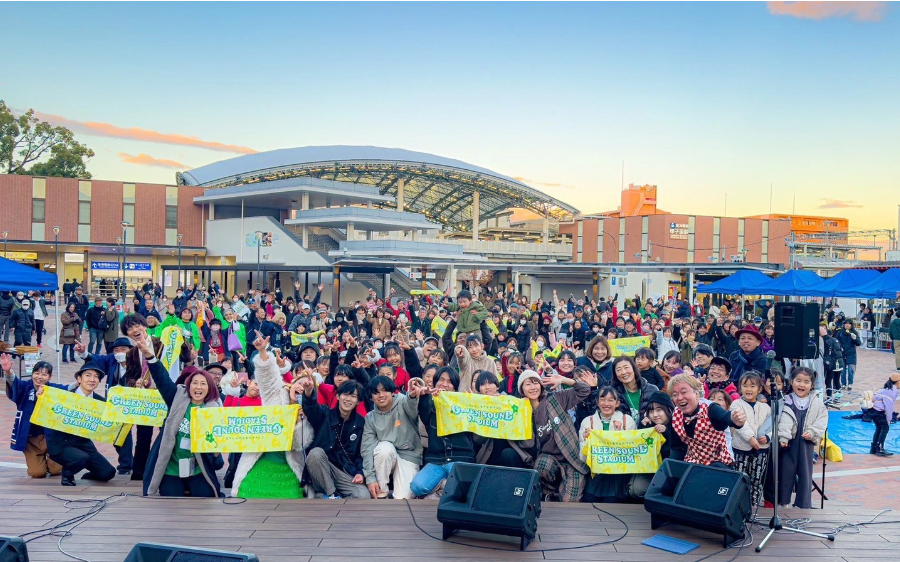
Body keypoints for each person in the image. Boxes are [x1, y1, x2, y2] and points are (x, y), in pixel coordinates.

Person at [136, 334, 225, 497]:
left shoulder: (213, 411)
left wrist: (216, 449)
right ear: (188, 386)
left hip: (198, 467)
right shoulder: (177, 397)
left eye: (203, 384)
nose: (198, 387)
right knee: (171, 498)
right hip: (172, 467)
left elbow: (217, 453)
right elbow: (162, 379)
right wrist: (149, 356)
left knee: (206, 496)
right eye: (195, 383)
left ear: (209, 388)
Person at [231, 333, 312, 498]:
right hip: (261, 460)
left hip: (289, 465)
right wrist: (263, 352)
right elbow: (268, 379)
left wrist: (298, 423)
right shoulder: (276, 395)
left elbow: (299, 444)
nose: (301, 387)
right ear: (291, 383)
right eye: (299, 382)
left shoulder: (308, 409)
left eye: (306, 386)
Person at [520, 369, 591, 502]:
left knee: (569, 502)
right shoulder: (520, 410)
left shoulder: (555, 398)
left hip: (572, 458)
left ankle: (564, 486)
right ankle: (549, 491)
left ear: (541, 386)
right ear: (522, 389)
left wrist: (564, 380)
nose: (533, 387)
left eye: (535, 383)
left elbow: (585, 390)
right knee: (541, 466)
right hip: (548, 459)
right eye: (528, 384)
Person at [44, 362, 116, 486]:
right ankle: (67, 474)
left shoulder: (101, 402)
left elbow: (107, 425)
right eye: (88, 375)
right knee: (81, 458)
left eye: (96, 376)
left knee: (108, 472)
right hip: (61, 443)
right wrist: (41, 396)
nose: (92, 379)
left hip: (83, 443)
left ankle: (88, 474)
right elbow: (45, 408)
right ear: (79, 378)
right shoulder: (64, 396)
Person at [410, 367, 476, 498]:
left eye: (450, 382)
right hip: (437, 461)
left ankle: (443, 490)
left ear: (455, 388)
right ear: (435, 383)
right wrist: (424, 397)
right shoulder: (430, 404)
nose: (445, 384)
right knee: (417, 487)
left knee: (461, 485)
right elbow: (423, 410)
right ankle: (444, 487)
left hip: (460, 459)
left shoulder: (465, 405)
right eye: (441, 380)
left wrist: (473, 404)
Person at [301, 378, 370, 499]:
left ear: (358, 401)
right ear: (338, 396)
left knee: (363, 495)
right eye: (345, 394)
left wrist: (360, 472)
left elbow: (361, 453)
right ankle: (332, 494)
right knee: (315, 453)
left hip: (344, 472)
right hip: (321, 469)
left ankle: (326, 496)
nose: (348, 399)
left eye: (353, 396)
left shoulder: (360, 423)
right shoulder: (324, 414)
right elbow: (311, 408)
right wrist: (309, 392)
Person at [2, 355, 66, 478]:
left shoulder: (54, 389)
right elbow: (14, 383)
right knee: (37, 473)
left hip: (51, 438)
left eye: (44, 374)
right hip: (31, 439)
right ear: (32, 374)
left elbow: (70, 390)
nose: (40, 377)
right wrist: (8, 371)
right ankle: (39, 461)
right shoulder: (25, 387)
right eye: (37, 373)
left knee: (56, 470)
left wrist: (82, 381)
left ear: (50, 377)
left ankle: (53, 461)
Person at [361, 375, 422, 499]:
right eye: (376, 392)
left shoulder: (403, 401)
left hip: (408, 455)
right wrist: (370, 478)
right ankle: (382, 492)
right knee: (384, 448)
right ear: (371, 397)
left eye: (384, 390)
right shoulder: (370, 417)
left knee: (403, 498)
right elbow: (367, 448)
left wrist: (412, 395)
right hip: (387, 456)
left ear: (392, 391)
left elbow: (411, 405)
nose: (381, 395)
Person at [668, 374, 746, 468]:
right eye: (675, 395)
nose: (680, 398)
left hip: (719, 463)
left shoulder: (710, 408)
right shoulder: (676, 414)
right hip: (693, 462)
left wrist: (734, 419)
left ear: (696, 394)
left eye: (684, 392)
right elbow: (676, 448)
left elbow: (724, 417)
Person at [776, 367, 827, 508]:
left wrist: (812, 432)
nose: (801, 385)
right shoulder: (786, 400)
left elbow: (822, 420)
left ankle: (803, 503)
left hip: (806, 441)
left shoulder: (816, 402)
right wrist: (783, 437)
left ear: (811, 385)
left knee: (805, 472)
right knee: (786, 471)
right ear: (791, 381)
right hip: (789, 442)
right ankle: (783, 500)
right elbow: (781, 421)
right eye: (798, 381)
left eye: (806, 382)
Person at [578, 386, 636, 502]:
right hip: (596, 473)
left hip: (617, 474)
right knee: (589, 500)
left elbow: (630, 453)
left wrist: (619, 433)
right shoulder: (587, 422)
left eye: (611, 400)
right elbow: (583, 458)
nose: (606, 403)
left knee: (611, 501)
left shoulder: (627, 420)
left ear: (617, 403)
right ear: (597, 402)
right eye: (603, 399)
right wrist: (586, 442)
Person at [729, 372, 772, 506]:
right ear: (740, 387)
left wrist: (768, 437)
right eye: (745, 386)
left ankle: (753, 506)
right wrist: (750, 438)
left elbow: (772, 425)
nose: (748, 389)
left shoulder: (765, 407)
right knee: (740, 478)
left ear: (759, 389)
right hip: (741, 449)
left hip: (761, 450)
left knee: (756, 479)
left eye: (753, 386)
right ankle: (737, 506)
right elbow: (740, 424)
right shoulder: (736, 404)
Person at [610, 356, 659, 421]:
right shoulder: (613, 393)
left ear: (634, 368)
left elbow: (662, 412)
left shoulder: (652, 390)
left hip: (648, 429)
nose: (623, 372)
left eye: (626, 367)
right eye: (618, 370)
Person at [868, 373, 900, 457]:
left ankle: (874, 448)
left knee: (879, 428)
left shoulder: (886, 388)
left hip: (872, 410)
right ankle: (880, 448)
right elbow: (888, 407)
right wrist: (889, 419)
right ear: (898, 382)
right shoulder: (893, 391)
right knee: (885, 428)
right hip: (879, 411)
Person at [835, 318, 861, 391]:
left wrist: (855, 339)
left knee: (850, 370)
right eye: (846, 323)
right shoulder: (840, 332)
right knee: (842, 371)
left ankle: (850, 383)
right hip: (842, 354)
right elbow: (836, 342)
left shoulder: (854, 333)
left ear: (851, 325)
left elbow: (858, 343)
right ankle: (843, 384)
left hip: (851, 354)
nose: (847, 325)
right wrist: (840, 348)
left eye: (849, 324)